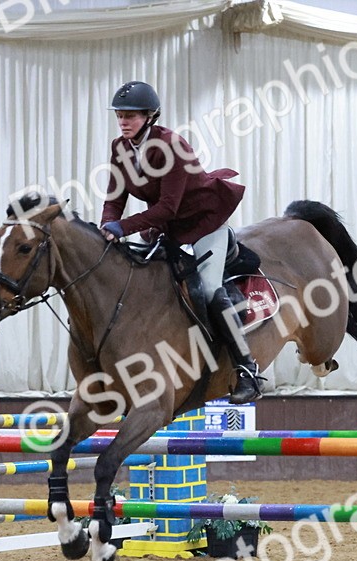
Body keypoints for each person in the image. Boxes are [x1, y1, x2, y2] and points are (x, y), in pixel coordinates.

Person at [100, 80, 264, 405]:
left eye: (130, 115)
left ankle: (247, 369)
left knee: (208, 289)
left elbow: (167, 207)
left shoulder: (172, 144)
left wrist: (125, 227)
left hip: (204, 222)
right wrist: (106, 226)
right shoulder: (120, 147)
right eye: (120, 115)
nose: (123, 121)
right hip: (166, 228)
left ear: (150, 116)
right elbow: (114, 198)